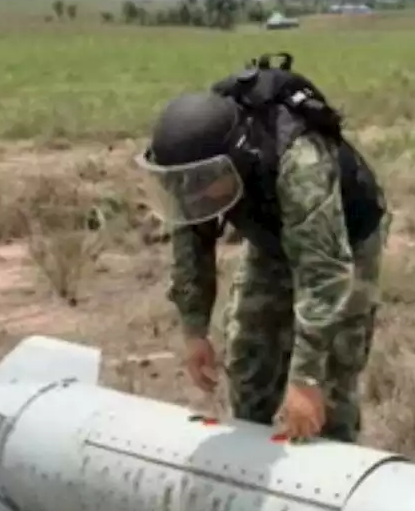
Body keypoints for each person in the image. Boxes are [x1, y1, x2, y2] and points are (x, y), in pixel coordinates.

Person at [135, 53, 390, 444]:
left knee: (331, 375)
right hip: (273, 238)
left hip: (343, 244)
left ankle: (331, 466)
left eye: (198, 184)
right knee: (250, 354)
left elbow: (324, 274)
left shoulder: (300, 163)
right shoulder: (200, 174)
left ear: (231, 164)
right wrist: (195, 328)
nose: (192, 193)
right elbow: (191, 244)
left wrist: (305, 379)